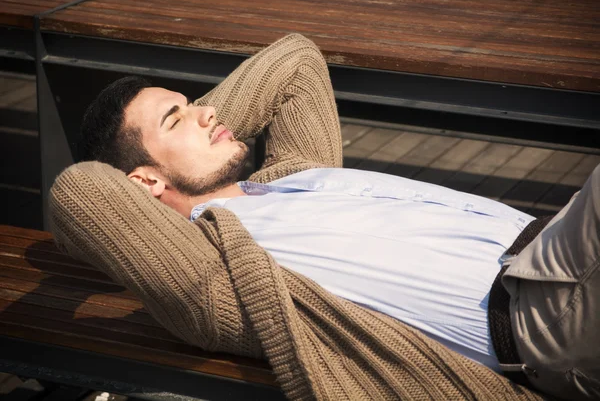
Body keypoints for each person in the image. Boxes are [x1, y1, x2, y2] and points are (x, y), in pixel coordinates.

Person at [59, 34, 598, 400]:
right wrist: (166, 165)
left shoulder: (293, 171)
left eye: (199, 102)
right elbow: (78, 190)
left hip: (557, 247)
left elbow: (296, 60)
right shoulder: (218, 280)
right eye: (178, 117)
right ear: (144, 184)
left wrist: (197, 133)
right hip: (543, 317)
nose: (210, 109)